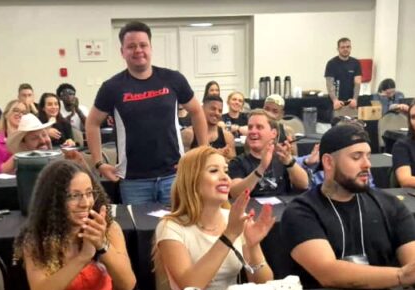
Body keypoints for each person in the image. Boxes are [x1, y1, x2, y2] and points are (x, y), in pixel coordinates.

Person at [281, 124, 415, 289]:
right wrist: (400, 275)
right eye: (356, 157)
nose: (367, 164)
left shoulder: (390, 205)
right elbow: (328, 273)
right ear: (329, 162)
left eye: (368, 156)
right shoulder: (302, 211)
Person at [85, 21, 208, 205]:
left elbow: (197, 111)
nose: (138, 50)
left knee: (177, 224)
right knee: (139, 225)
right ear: (122, 52)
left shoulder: (173, 79)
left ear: (151, 48)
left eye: (143, 45)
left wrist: (203, 152)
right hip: (133, 182)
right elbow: (92, 123)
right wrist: (98, 163)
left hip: (174, 175)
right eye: (131, 46)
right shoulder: (112, 87)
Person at [155, 147, 275, 290]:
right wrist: (229, 235)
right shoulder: (171, 227)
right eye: (213, 171)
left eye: (226, 171)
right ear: (192, 180)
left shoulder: (236, 219)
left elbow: (264, 285)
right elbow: (190, 287)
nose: (225, 177)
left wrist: (253, 246)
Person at [15, 161, 135, 290]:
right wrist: (83, 257)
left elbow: (128, 285)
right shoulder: (38, 239)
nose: (85, 203)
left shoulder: (109, 229)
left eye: (89, 193)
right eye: (74, 196)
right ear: (55, 200)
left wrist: (102, 244)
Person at [228, 110, 309, 198]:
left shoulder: (281, 158)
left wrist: (289, 162)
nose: (253, 131)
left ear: (273, 133)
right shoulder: (238, 162)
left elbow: (304, 185)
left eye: (259, 127)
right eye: (250, 127)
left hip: (281, 205)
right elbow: (234, 193)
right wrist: (261, 168)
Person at [182, 95, 235, 160]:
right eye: (213, 109)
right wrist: (216, 153)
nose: (217, 113)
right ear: (202, 109)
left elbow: (233, 163)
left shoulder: (227, 136)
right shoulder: (188, 134)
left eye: (220, 111)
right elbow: (183, 162)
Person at [0, 100, 28, 174]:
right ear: (6, 114)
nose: (20, 114)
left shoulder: (30, 138)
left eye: (24, 113)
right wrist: (18, 153)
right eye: (16, 110)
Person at [325, 37, 363, 115]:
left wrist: (355, 99)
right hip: (337, 103)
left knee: (353, 122)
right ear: (338, 49)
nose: (345, 49)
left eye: (348, 47)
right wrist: (335, 100)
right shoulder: (331, 63)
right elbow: (329, 84)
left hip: (351, 103)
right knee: (337, 122)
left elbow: (357, 83)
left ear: (351, 48)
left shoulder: (356, 63)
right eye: (342, 47)